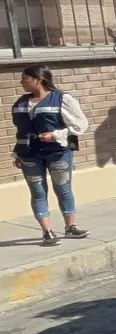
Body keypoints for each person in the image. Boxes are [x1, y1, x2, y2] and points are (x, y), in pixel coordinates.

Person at [11, 65, 90, 246]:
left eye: (25, 79)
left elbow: (80, 126)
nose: (21, 82)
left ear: (39, 80)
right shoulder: (20, 103)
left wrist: (55, 135)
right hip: (28, 155)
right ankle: (47, 232)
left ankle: (71, 227)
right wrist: (16, 152)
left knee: (63, 189)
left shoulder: (62, 99)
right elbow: (21, 131)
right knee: (38, 192)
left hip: (57, 153)